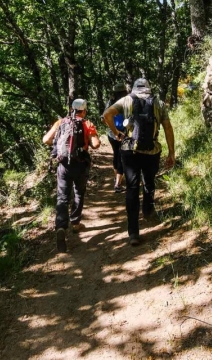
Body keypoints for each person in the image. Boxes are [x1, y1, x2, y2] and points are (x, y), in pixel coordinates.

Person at [102, 78, 175, 246]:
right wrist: (172, 153)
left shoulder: (126, 100)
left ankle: (133, 232)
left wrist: (117, 133)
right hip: (152, 150)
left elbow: (107, 115)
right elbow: (168, 127)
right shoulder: (159, 103)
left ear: (134, 89)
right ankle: (148, 211)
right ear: (149, 88)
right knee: (149, 182)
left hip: (130, 151)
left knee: (132, 188)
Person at [43, 99, 100, 253]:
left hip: (63, 166)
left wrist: (60, 145)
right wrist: (89, 138)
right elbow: (95, 144)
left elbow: (46, 139)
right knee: (79, 192)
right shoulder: (88, 124)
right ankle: (75, 223)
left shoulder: (61, 122)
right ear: (84, 110)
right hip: (80, 165)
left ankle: (61, 227)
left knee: (62, 197)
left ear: (71, 109)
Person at [104, 83, 128, 193]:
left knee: (116, 155)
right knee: (122, 157)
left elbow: (103, 118)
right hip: (123, 133)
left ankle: (117, 178)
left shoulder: (110, 102)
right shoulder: (126, 102)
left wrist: (113, 130)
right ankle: (117, 184)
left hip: (111, 134)